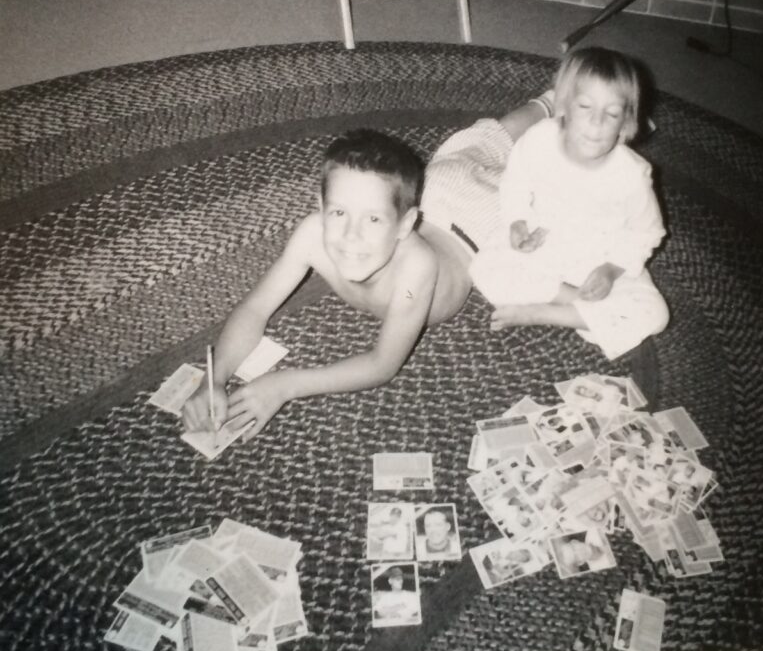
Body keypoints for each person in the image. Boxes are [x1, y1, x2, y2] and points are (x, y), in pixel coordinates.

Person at [182, 93, 553, 437]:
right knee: (477, 145)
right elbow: (255, 308)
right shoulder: (312, 233)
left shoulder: (417, 267)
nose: (351, 236)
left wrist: (286, 384)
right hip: (434, 191)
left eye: (372, 220)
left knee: (540, 167)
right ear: (320, 205)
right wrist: (212, 380)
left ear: (406, 227)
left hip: (481, 222)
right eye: (339, 212)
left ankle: (554, 101)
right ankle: (550, 102)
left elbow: (382, 364)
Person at [470, 47, 669, 361]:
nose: (597, 122)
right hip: (544, 244)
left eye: (613, 113)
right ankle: (574, 302)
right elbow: (515, 184)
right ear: (564, 105)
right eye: (586, 106)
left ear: (627, 121)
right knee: (484, 268)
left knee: (655, 315)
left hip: (600, 257)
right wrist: (518, 222)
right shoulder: (539, 140)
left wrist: (611, 269)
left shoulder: (632, 175)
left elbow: (647, 233)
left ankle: (546, 313)